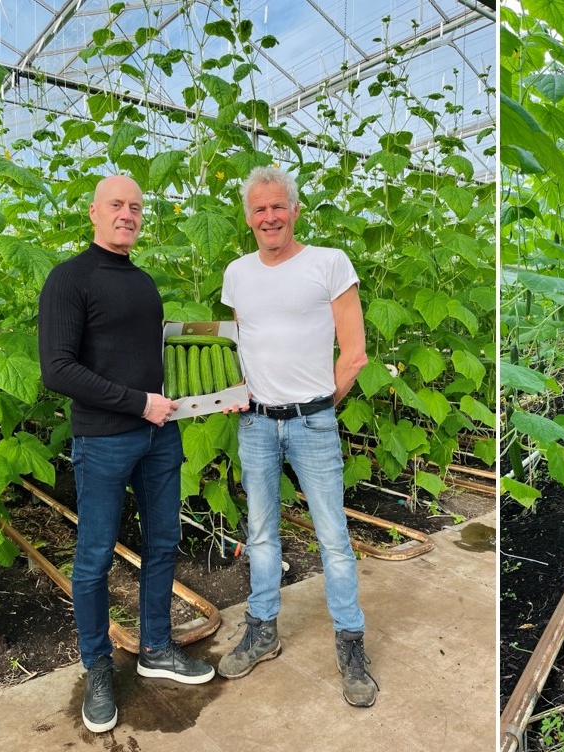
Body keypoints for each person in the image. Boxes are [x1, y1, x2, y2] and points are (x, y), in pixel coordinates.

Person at [39, 175, 215, 734]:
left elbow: (153, 361)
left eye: (136, 207)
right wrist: (138, 404)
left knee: (163, 541)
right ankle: (97, 666)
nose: (127, 214)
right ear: (94, 212)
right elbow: (57, 369)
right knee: (94, 557)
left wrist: (213, 393)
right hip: (104, 439)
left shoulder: (142, 283)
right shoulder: (69, 279)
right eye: (116, 204)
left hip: (160, 436)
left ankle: (155, 648)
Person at [216, 166, 376, 708]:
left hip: (312, 422)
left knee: (333, 537)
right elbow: (242, 344)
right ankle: (263, 630)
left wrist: (318, 406)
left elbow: (354, 354)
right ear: (248, 218)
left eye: (278, 206)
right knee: (261, 533)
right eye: (259, 209)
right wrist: (236, 392)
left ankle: (350, 644)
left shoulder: (328, 263)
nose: (269, 217)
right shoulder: (237, 274)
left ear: (295, 210)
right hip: (256, 422)